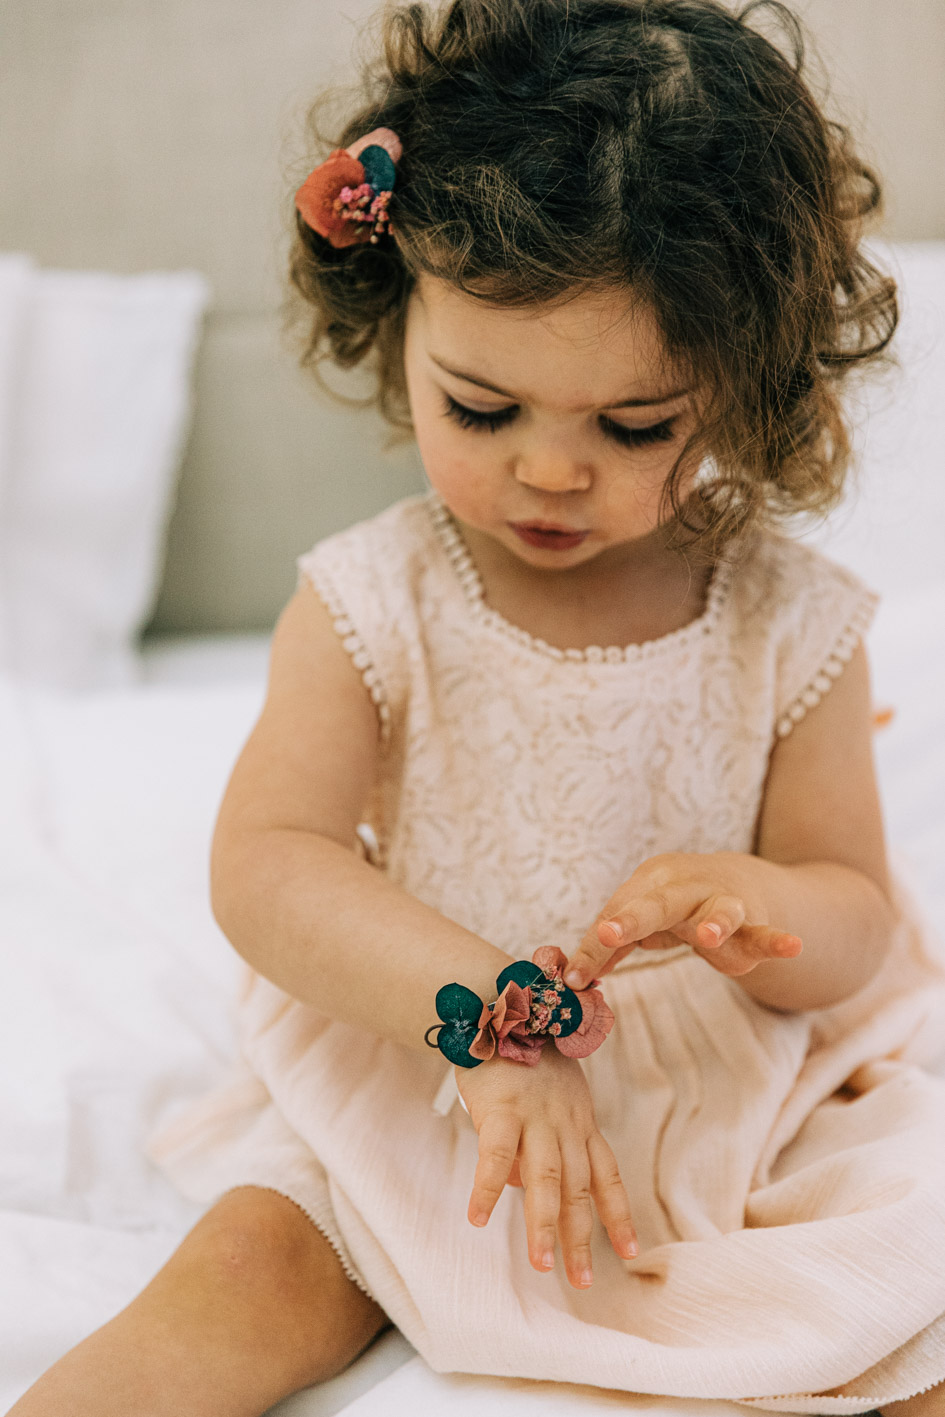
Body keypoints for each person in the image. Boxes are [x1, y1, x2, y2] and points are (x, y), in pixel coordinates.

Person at [11, 2, 945, 1414]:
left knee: (896, 1289)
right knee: (244, 1274)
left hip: (721, 1092)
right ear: (396, 327)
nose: (548, 473)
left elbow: (857, 920)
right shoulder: (369, 600)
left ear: (748, 390)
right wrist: (482, 1029)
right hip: (419, 1047)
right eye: (480, 406)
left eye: (632, 427)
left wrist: (766, 909)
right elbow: (270, 865)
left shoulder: (788, 620)